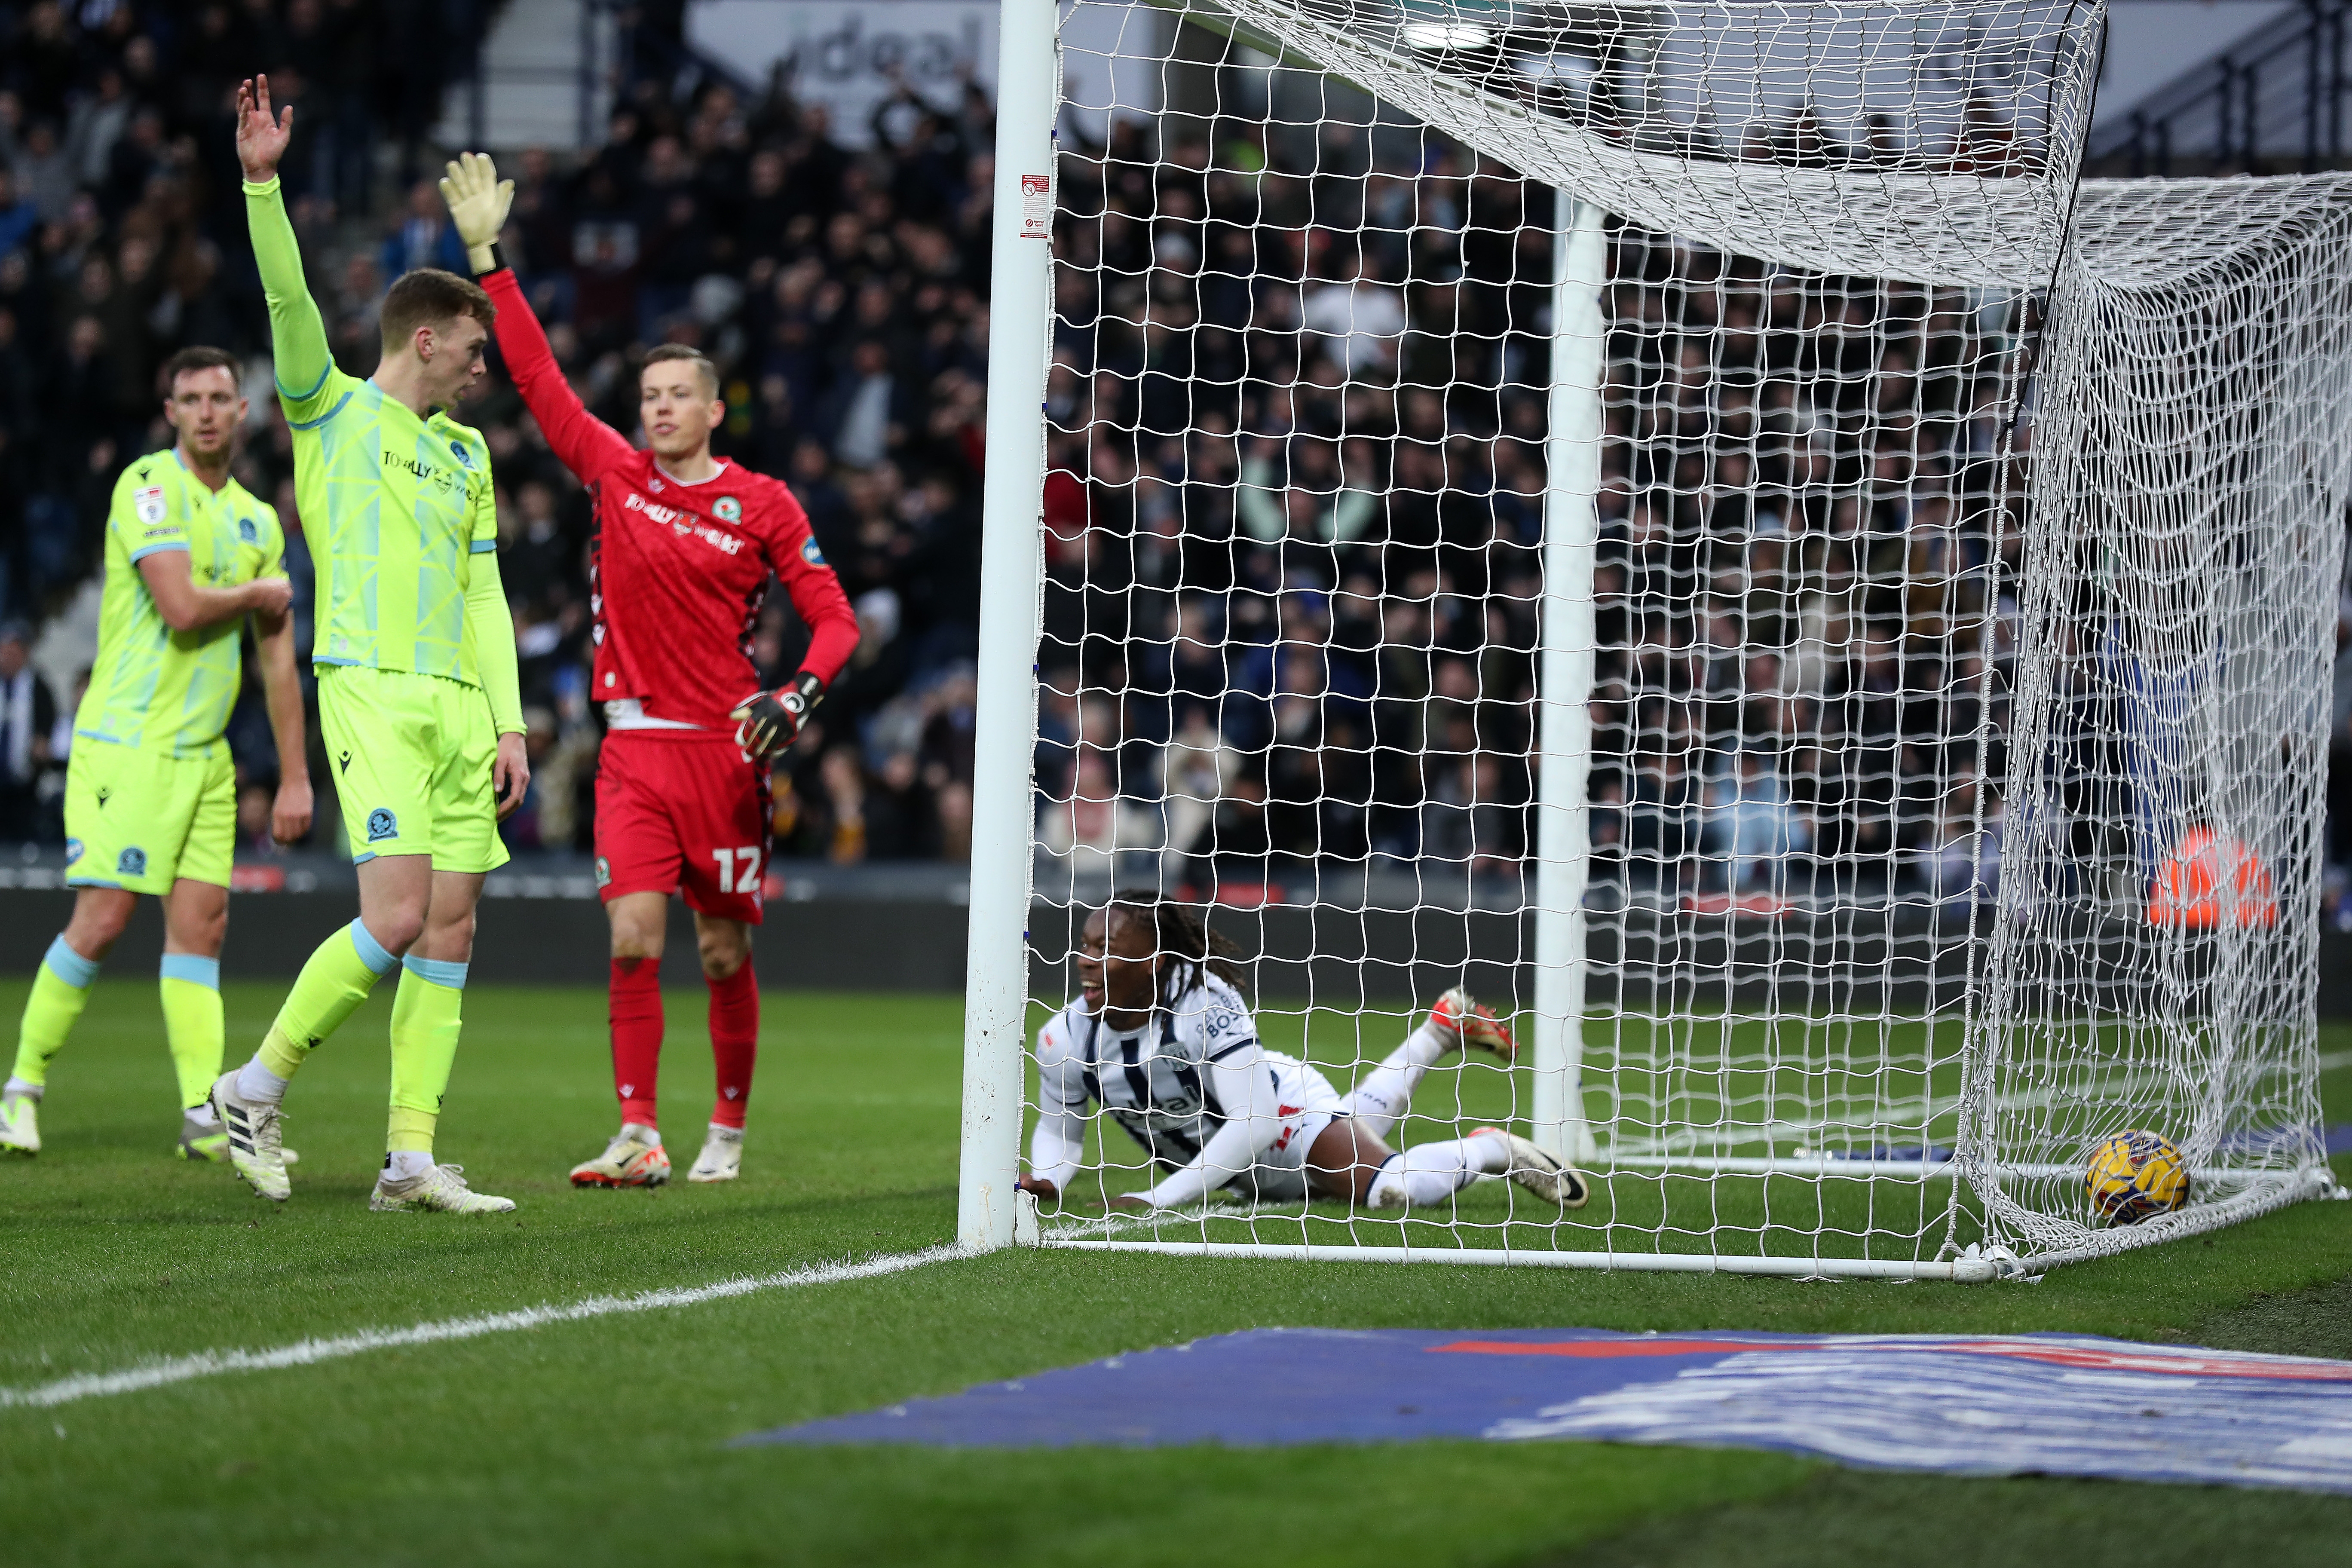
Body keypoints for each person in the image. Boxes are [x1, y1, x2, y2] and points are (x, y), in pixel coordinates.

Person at [437, 153, 858, 1188]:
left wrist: (795, 694)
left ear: (715, 410)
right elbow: (536, 376)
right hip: (630, 750)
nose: (659, 409)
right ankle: (638, 1130)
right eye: (650, 396)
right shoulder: (612, 475)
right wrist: (490, 259)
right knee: (632, 938)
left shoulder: (763, 505)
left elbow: (836, 623)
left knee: (720, 954)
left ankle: (726, 1125)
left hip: (725, 755)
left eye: (679, 396)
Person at [206, 79, 529, 1215]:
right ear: (428, 340)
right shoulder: (331, 412)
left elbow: (486, 595)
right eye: (475, 353)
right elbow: (290, 300)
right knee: (394, 918)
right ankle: (256, 1084)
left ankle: (408, 1158)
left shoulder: (468, 459)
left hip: (455, 707)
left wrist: (509, 719)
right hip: (372, 693)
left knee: (452, 924)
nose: (484, 372)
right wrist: (262, 184)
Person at [0, 348, 310, 1160]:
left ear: (244, 412)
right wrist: (258, 594)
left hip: (205, 757)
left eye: (221, 398)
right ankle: (20, 1088)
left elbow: (276, 658)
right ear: (169, 411)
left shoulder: (258, 520)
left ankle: (203, 1118)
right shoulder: (147, 486)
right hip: (127, 744)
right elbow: (178, 606)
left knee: (202, 930)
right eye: (190, 399)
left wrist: (294, 776)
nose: (207, 411)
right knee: (102, 921)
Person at [1015, 890, 1588, 1214]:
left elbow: (1257, 1120)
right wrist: (1048, 1179)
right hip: (1234, 1167)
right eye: (1085, 946)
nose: (1086, 960)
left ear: (1156, 961)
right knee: (1349, 1138)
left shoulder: (1205, 1001)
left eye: (1107, 949)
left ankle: (1489, 1149)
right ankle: (1440, 1029)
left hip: (1279, 1113)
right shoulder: (1063, 1039)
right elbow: (1062, 1131)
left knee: (1387, 1191)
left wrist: (1159, 1198)